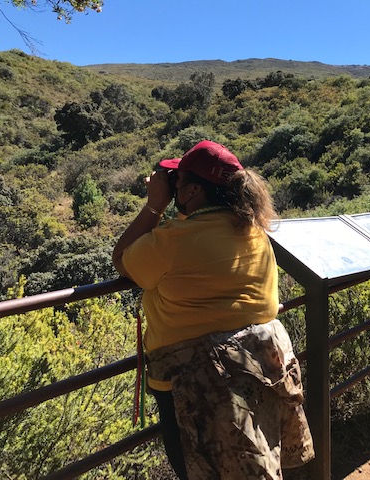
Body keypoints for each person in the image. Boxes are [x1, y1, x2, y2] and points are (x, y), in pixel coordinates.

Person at [112, 140, 314, 479]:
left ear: (192, 190)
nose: (171, 186)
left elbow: (122, 259)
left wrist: (154, 207)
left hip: (195, 382)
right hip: (263, 367)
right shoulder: (253, 230)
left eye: (178, 181)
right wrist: (180, 200)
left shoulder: (171, 240)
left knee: (199, 468)